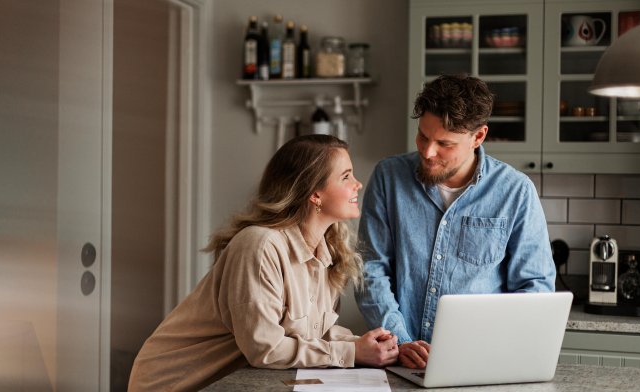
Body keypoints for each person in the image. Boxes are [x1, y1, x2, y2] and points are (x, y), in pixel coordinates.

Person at [129, 135, 398, 391]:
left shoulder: (324, 252)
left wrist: (373, 346)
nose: (358, 184)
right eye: (346, 176)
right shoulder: (259, 246)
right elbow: (265, 348)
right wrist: (351, 352)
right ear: (315, 194)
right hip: (174, 385)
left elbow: (313, 334)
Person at [355, 74, 555, 369]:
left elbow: (534, 287)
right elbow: (369, 269)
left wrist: (490, 345)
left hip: (480, 362)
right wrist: (401, 340)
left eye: (444, 143)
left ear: (478, 137)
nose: (428, 151)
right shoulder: (388, 177)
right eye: (423, 135)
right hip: (399, 361)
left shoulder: (515, 191)